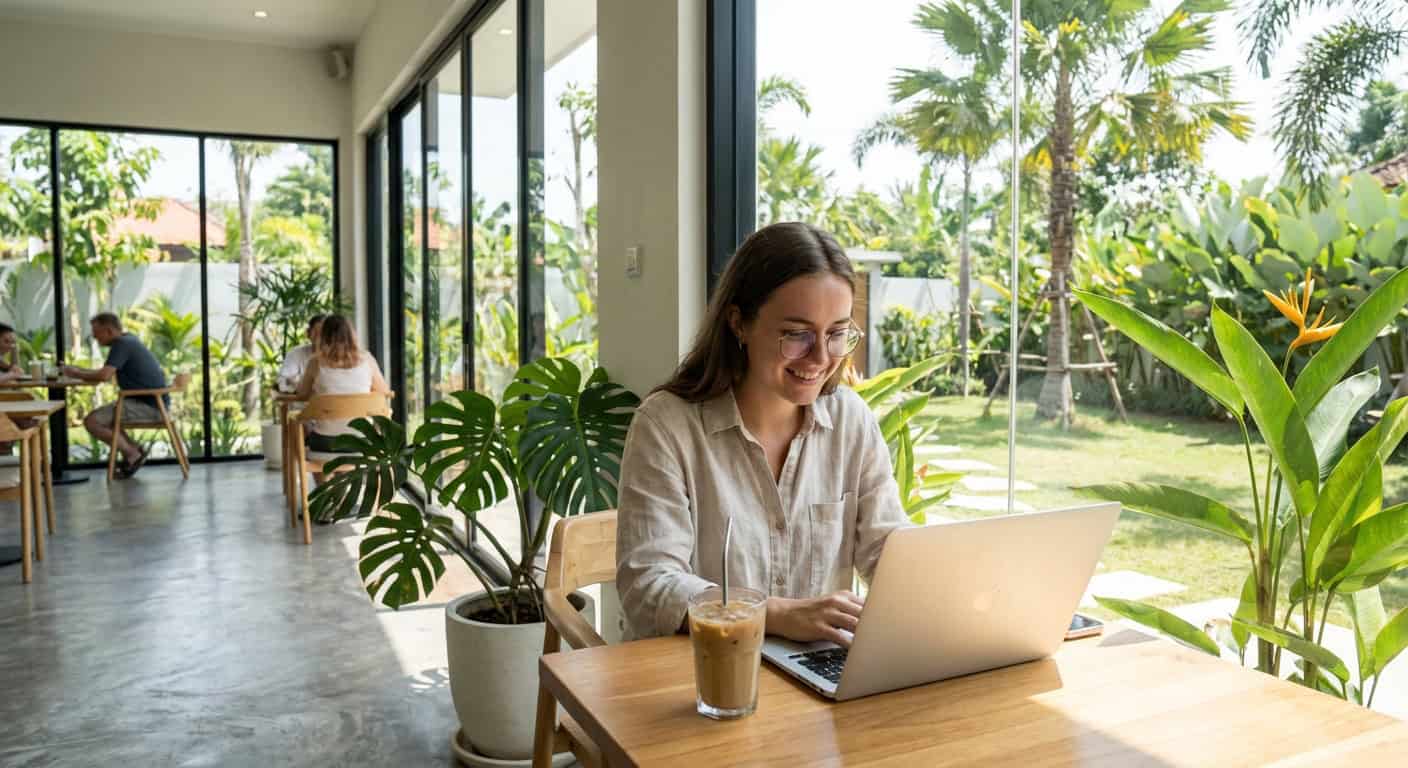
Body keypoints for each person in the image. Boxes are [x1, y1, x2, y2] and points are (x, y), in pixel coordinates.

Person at [615, 222, 909, 646]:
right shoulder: (666, 426)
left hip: (813, 670)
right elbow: (648, 586)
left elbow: (888, 552)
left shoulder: (851, 421)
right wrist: (777, 615)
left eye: (837, 333)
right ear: (739, 323)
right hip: (699, 669)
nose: (821, 357)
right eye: (797, 335)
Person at [64, 312, 169, 479]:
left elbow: (104, 376)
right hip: (154, 403)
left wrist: (76, 373)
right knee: (106, 419)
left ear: (109, 331)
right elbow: (103, 373)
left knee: (92, 421)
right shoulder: (129, 340)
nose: (95, 338)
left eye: (97, 333)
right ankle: (134, 451)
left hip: (150, 407)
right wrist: (77, 371)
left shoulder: (122, 344)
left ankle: (132, 453)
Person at [295, 315, 390, 456]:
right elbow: (384, 391)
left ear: (323, 336)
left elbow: (302, 394)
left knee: (298, 422)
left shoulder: (315, 363)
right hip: (361, 441)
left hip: (325, 442)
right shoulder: (367, 360)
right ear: (352, 335)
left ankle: (314, 472)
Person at [277, 314, 327, 392]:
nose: (319, 336)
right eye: (316, 331)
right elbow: (283, 382)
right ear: (308, 333)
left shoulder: (340, 356)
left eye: (323, 332)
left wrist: (297, 381)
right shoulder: (296, 353)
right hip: (301, 398)